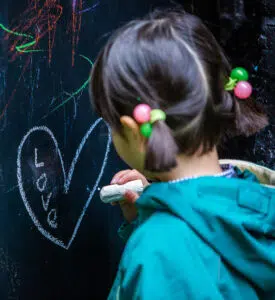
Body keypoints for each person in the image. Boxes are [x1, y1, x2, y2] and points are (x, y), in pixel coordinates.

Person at [90, 8, 275, 300]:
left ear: (134, 131)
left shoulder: (156, 252)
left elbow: (173, 267)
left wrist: (156, 230)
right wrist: (152, 215)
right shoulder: (254, 200)